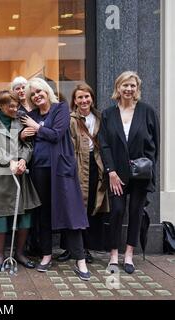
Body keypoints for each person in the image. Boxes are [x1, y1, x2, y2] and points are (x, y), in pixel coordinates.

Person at [21, 77, 91, 281]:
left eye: (38, 91)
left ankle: (80, 260)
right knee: (43, 214)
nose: (36, 95)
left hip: (61, 169)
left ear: (46, 91)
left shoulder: (60, 109)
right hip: (39, 169)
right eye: (32, 93)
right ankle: (46, 255)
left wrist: (37, 128)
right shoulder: (30, 114)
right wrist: (24, 135)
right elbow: (29, 137)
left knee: (70, 212)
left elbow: (57, 134)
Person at [98, 71, 159, 274]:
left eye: (132, 86)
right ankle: (114, 255)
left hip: (140, 173)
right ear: (118, 88)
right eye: (125, 85)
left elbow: (154, 144)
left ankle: (129, 255)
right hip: (117, 174)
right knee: (116, 211)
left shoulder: (147, 111)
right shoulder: (108, 114)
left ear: (137, 88)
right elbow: (104, 145)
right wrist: (111, 171)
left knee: (136, 212)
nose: (129, 89)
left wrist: (148, 166)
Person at [0, 90, 41, 271]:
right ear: (0, 106)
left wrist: (23, 160)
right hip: (0, 173)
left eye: (17, 106)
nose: (15, 109)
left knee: (24, 215)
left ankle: (20, 253)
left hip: (21, 174)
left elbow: (28, 144)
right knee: (0, 215)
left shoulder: (20, 119)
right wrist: (10, 162)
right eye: (11, 107)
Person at [58, 84, 109, 264]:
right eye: (79, 97)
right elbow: (67, 146)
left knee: (91, 207)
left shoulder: (101, 118)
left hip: (96, 166)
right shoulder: (70, 119)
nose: (84, 100)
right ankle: (69, 248)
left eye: (86, 96)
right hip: (77, 166)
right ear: (74, 101)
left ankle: (85, 248)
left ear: (92, 98)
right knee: (72, 207)